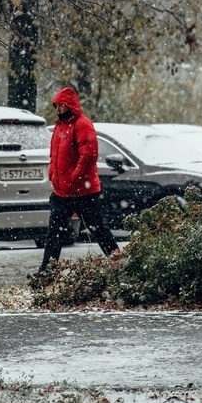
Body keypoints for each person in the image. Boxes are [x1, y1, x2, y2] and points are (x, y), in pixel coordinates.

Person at [37, 86, 119, 273]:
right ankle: (46, 271)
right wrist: (53, 174)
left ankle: (118, 264)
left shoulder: (82, 124)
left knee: (98, 230)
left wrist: (74, 179)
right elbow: (54, 156)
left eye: (61, 106)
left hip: (84, 192)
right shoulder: (59, 127)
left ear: (70, 106)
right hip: (61, 192)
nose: (58, 110)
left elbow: (89, 156)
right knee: (54, 234)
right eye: (56, 106)